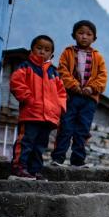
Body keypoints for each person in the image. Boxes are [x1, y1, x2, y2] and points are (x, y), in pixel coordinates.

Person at [10, 35, 67, 180]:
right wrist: (28, 98)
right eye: (39, 48)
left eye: (46, 50)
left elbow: (62, 94)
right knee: (26, 142)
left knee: (40, 146)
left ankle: (34, 170)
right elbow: (16, 82)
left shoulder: (54, 73)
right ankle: (19, 167)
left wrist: (59, 108)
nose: (42, 52)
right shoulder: (26, 66)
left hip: (48, 118)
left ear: (51, 54)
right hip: (31, 114)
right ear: (32, 49)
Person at [51, 20, 107, 167]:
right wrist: (74, 86)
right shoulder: (68, 52)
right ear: (74, 35)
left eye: (89, 34)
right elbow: (62, 71)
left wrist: (92, 88)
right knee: (66, 127)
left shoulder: (98, 57)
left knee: (82, 129)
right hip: (71, 97)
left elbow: (102, 76)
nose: (84, 37)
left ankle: (77, 160)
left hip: (89, 100)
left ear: (94, 38)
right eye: (81, 33)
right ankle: (58, 158)